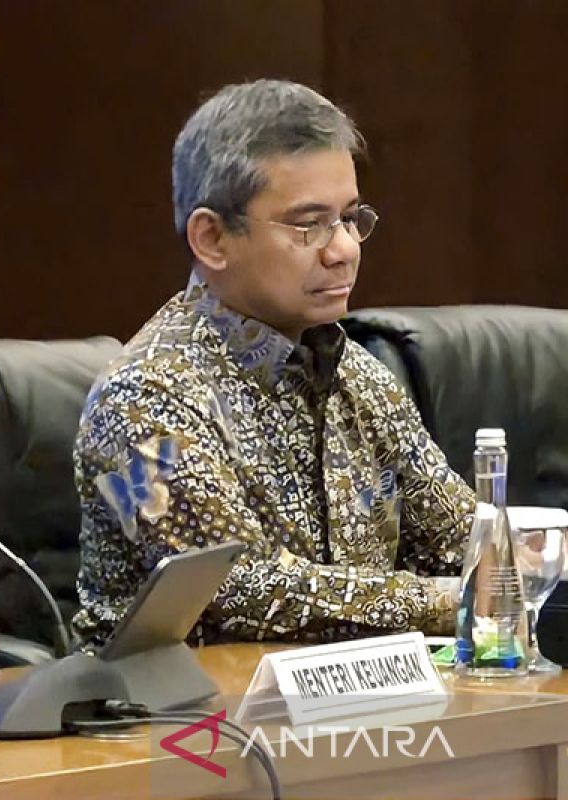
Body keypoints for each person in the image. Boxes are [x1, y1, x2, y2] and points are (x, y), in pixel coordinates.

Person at [73, 79, 474, 650]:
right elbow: (239, 590)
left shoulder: (357, 375)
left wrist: (522, 571)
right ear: (212, 239)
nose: (344, 249)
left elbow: (464, 542)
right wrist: (461, 599)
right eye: (309, 225)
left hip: (360, 696)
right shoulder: (144, 396)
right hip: (192, 704)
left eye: (350, 218)